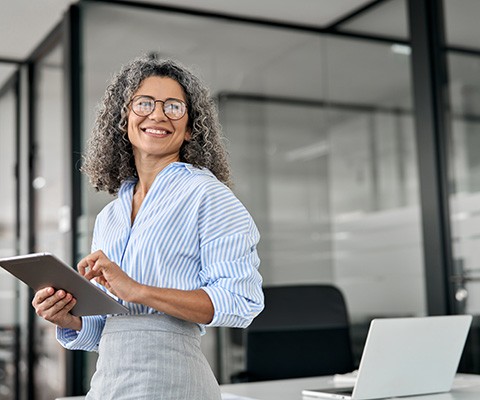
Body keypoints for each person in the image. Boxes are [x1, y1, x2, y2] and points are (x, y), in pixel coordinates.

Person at [31, 55, 264, 399]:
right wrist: (69, 318)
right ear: (123, 119)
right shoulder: (111, 216)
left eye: (173, 107)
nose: (157, 115)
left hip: (173, 382)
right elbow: (111, 328)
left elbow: (241, 301)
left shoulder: (207, 195)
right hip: (110, 384)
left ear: (190, 128)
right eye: (144, 103)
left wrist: (138, 290)